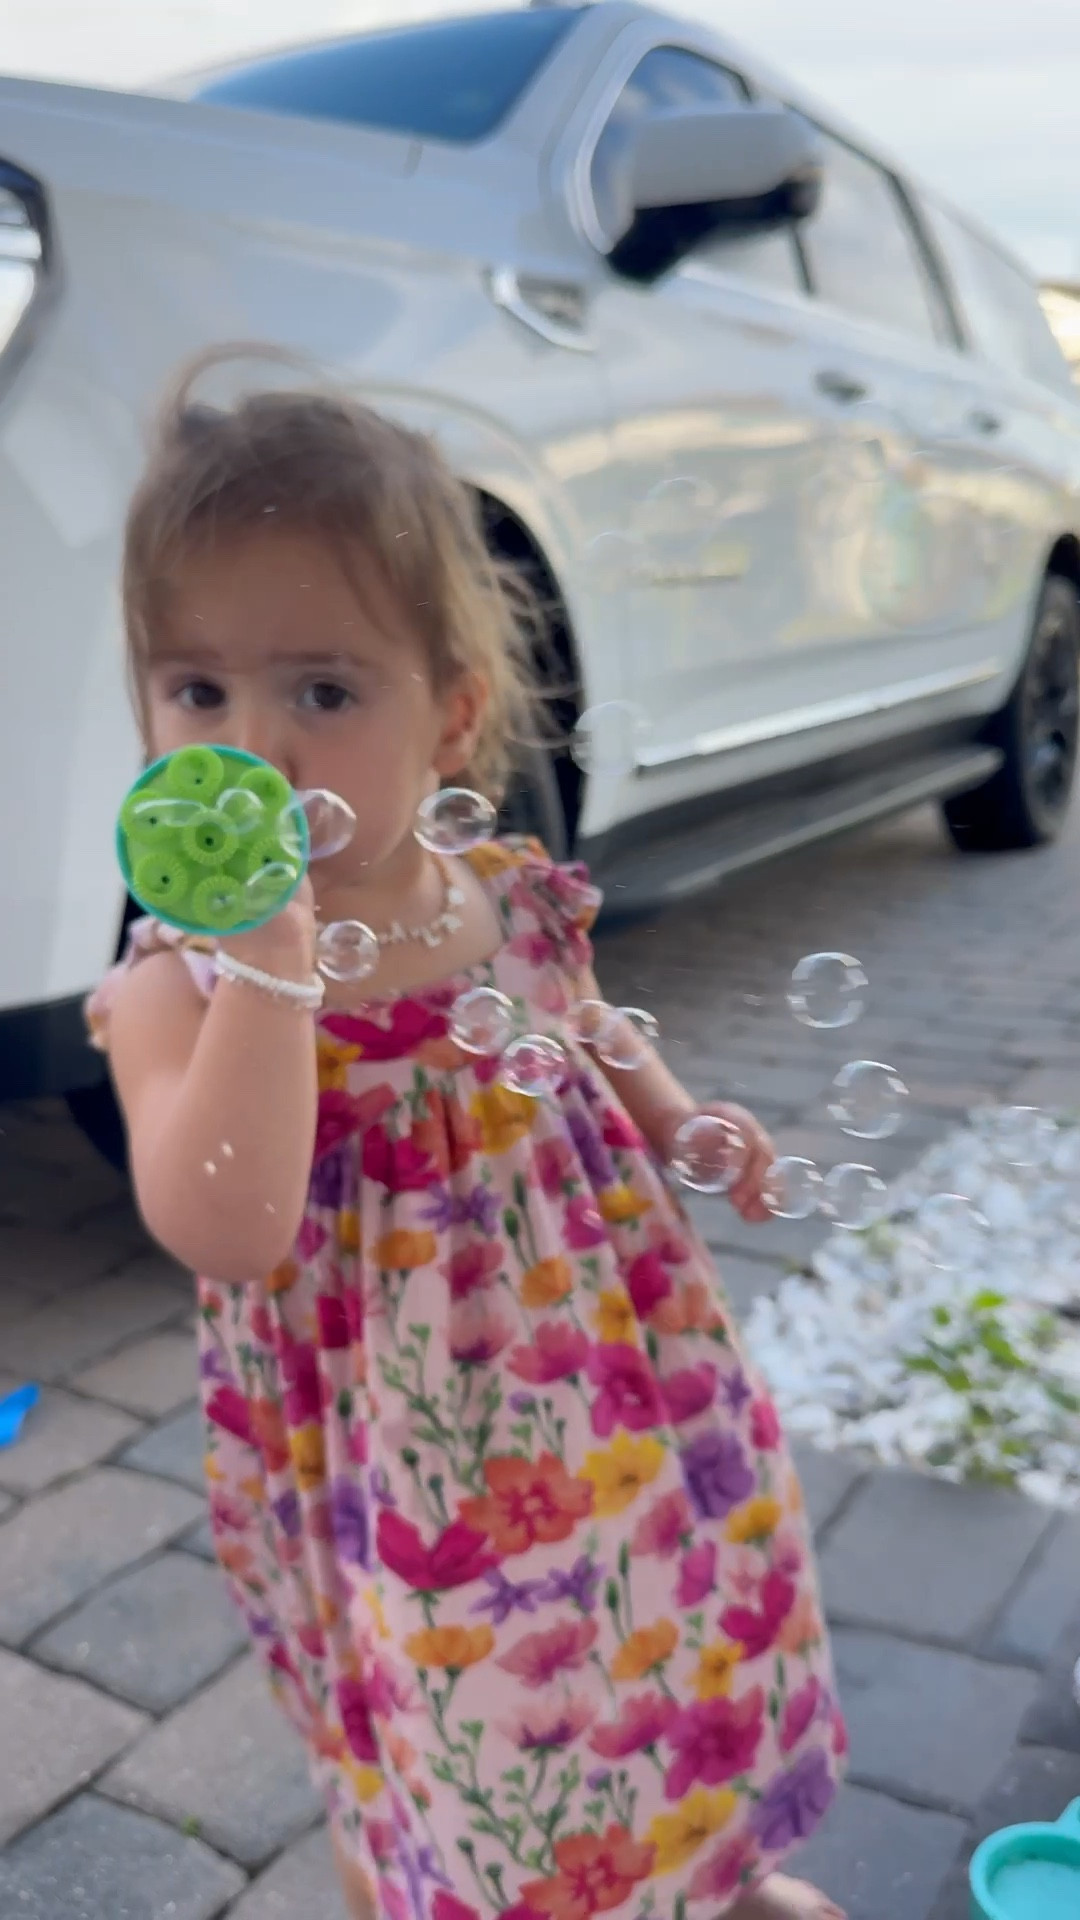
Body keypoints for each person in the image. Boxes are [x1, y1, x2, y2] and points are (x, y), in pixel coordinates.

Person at [87, 363, 848, 1920]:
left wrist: (677, 1114)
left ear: (449, 716)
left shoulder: (501, 890)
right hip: (407, 1470)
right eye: (196, 691)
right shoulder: (178, 990)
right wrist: (274, 975)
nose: (257, 749)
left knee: (675, 1615)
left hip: (614, 1384)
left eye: (322, 691)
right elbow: (224, 1223)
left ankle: (712, 1867)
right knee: (467, 1725)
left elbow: (580, 1014)